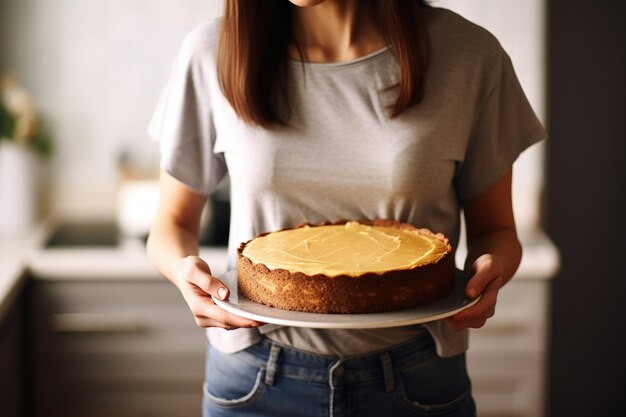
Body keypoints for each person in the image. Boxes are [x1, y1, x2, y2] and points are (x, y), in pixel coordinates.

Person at [146, 0, 546, 416]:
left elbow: (497, 231)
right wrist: (183, 273)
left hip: (419, 379)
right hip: (254, 381)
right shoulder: (211, 50)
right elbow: (171, 225)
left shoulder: (468, 54)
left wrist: (490, 272)